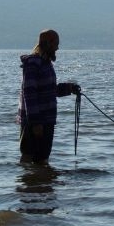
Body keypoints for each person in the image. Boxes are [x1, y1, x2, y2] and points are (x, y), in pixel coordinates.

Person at [18, 29, 80, 163]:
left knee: (43, 160)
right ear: (47, 44)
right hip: (34, 122)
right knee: (28, 157)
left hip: (47, 121)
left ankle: (41, 183)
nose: (58, 47)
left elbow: (51, 90)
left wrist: (70, 88)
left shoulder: (46, 64)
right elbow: (29, 94)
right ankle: (29, 182)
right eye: (56, 44)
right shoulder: (33, 64)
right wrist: (35, 123)